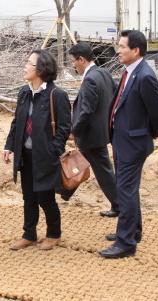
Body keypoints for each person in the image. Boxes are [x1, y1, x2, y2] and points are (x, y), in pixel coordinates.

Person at [100, 30, 158, 259]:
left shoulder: (145, 76)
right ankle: (133, 231)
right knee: (128, 189)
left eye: (122, 47)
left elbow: (157, 112)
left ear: (135, 50)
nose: (118, 51)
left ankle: (125, 242)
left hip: (134, 143)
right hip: (121, 139)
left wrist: (149, 133)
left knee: (124, 190)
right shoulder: (130, 72)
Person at [3, 50, 71, 251]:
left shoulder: (56, 95)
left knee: (45, 197)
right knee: (28, 197)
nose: (25, 66)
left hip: (45, 156)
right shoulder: (24, 92)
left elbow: (65, 127)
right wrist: (9, 145)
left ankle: (54, 234)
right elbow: (17, 122)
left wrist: (53, 150)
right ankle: (29, 234)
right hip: (25, 154)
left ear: (41, 69)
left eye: (29, 63)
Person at [69, 42, 119, 217]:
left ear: (81, 59)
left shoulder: (90, 79)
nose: (73, 65)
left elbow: (86, 111)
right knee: (104, 169)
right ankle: (118, 205)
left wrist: (74, 130)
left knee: (102, 172)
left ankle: (119, 206)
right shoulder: (104, 73)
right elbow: (114, 97)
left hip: (91, 136)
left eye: (74, 61)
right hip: (102, 133)